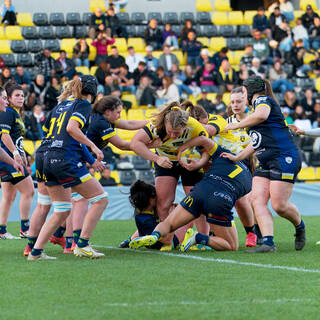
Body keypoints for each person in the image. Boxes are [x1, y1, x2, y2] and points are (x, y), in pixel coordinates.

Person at [27, 75, 109, 260]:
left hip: (46, 158)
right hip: (65, 159)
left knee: (62, 209)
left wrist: (89, 158)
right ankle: (83, 245)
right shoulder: (84, 105)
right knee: (101, 199)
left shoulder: (59, 106)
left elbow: (51, 133)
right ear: (94, 92)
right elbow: (72, 129)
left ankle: (35, 252)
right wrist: (94, 147)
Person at [223, 76, 305, 253]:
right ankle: (268, 243)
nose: (242, 97)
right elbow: (256, 142)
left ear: (250, 91)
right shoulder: (255, 109)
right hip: (266, 159)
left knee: (279, 205)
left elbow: (262, 115)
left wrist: (237, 125)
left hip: (284, 157)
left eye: (243, 92)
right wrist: (238, 157)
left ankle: (299, 227)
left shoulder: (263, 100)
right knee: (255, 199)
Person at [129, 134, 252, 252]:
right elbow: (239, 201)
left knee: (168, 223)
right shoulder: (249, 179)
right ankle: (199, 238)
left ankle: (155, 235)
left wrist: (182, 148)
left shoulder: (224, 154)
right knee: (232, 246)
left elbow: (203, 139)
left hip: (199, 191)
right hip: (219, 199)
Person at [130, 102, 210, 249]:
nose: (173, 136)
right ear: (165, 123)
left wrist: (199, 164)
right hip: (165, 162)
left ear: (185, 126)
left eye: (177, 133)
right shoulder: (155, 125)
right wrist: (157, 159)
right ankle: (166, 240)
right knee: (164, 203)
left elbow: (208, 148)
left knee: (197, 201)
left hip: (189, 160)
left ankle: (203, 240)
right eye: (170, 131)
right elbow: (135, 143)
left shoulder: (194, 126)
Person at [184, 99, 257, 248]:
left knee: (240, 200)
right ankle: (212, 234)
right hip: (218, 167)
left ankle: (251, 233)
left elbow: (208, 131)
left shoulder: (216, 119)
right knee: (211, 199)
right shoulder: (194, 133)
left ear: (202, 119)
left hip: (236, 162)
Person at [0, 82, 34, 239]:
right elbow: (5, 135)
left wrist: (23, 154)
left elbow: (16, 139)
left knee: (9, 196)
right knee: (29, 191)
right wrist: (15, 154)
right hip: (8, 159)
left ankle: (2, 230)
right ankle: (25, 229)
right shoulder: (8, 113)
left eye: (22, 95)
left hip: (9, 159)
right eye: (16, 96)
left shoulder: (15, 114)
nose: (21, 98)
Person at [120, 179, 179, 249]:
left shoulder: (142, 209)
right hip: (163, 243)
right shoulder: (145, 219)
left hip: (150, 234)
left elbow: (141, 230)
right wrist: (172, 215)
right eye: (154, 194)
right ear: (151, 200)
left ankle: (130, 240)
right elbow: (167, 240)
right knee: (185, 217)